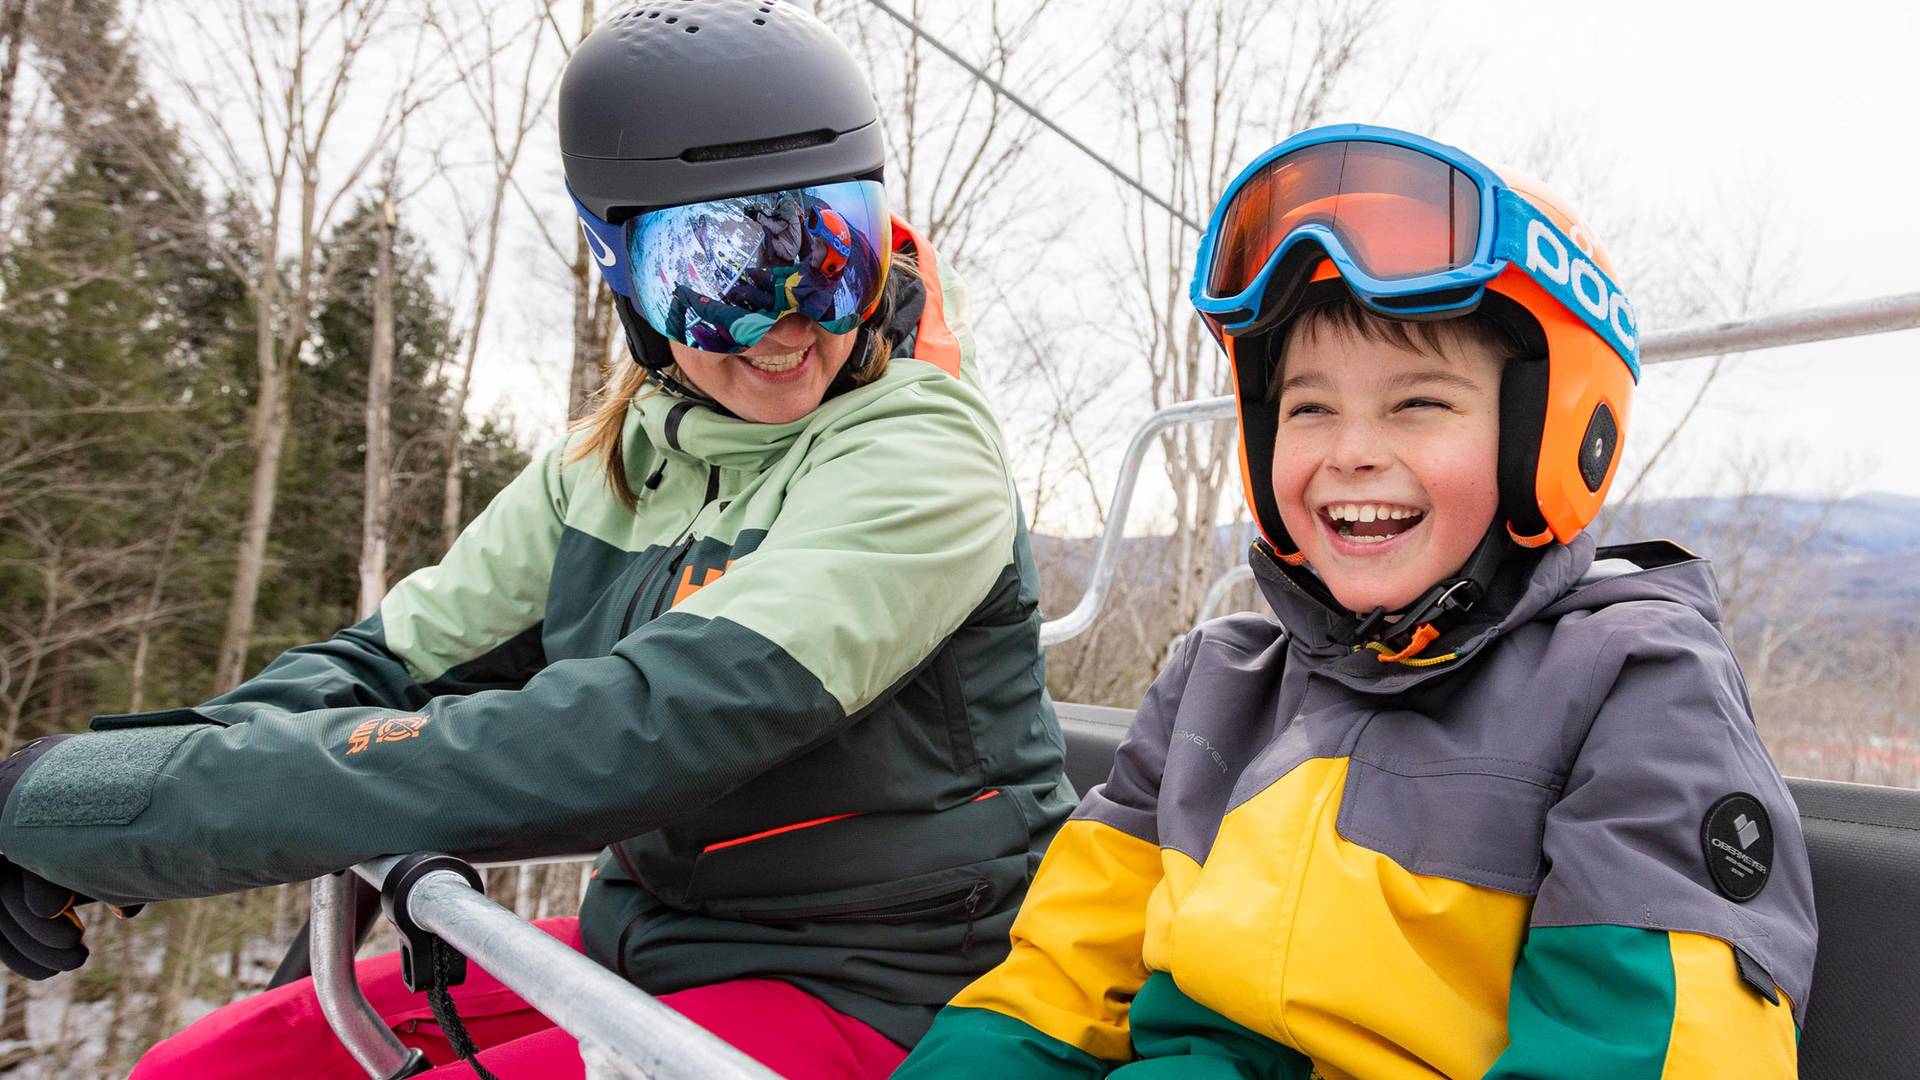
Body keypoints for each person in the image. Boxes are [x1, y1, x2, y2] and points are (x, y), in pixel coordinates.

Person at [0, 3, 1073, 1077]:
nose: (788, 323)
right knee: (209, 1068)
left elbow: (642, 729)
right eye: (719, 280)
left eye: (826, 260)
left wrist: (111, 809)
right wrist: (105, 800)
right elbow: (384, 668)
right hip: (653, 954)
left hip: (891, 984)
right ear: (624, 276)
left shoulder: (924, 454)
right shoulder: (613, 463)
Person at [895, 124, 1817, 1078]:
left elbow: (1650, 1045)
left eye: (1418, 403)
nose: (1350, 452)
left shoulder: (1630, 690)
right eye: (1309, 408)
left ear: (1551, 435)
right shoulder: (1217, 688)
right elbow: (1052, 987)